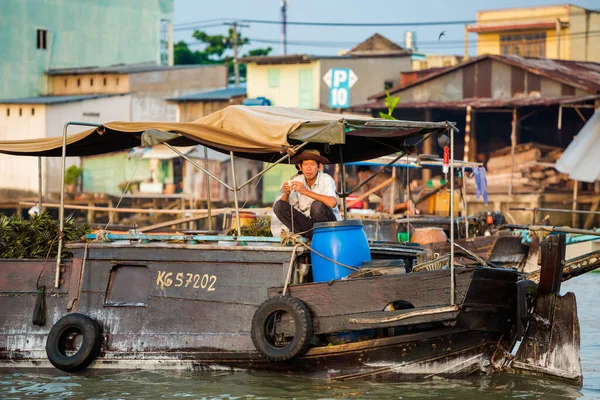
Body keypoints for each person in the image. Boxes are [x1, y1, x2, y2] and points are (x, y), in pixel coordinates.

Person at [273, 149, 341, 237]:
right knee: (279, 206)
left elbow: (332, 203)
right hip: (309, 225)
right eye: (305, 164)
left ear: (319, 166)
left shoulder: (326, 179)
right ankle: (307, 236)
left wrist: (305, 191)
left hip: (329, 226)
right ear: (300, 167)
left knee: (316, 206)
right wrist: (286, 193)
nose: (309, 168)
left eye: (312, 164)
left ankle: (321, 238)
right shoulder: (297, 180)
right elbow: (283, 207)